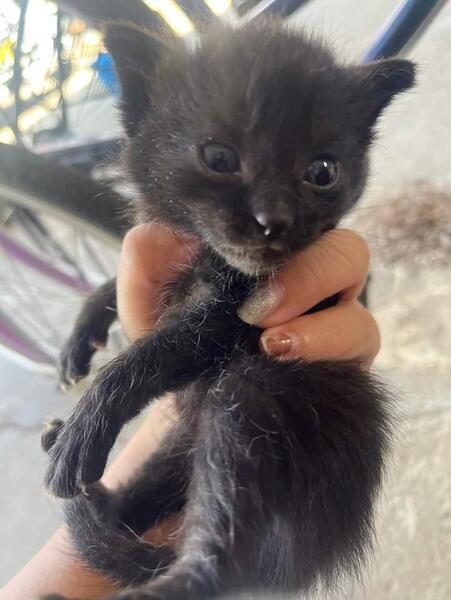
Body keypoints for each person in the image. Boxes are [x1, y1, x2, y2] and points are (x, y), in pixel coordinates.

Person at [0, 225, 380, 600]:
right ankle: (162, 545)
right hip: (260, 491)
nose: (272, 215)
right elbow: (204, 336)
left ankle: (193, 568)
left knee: (239, 396)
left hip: (287, 483)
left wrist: (111, 399)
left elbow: (211, 329)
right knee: (225, 407)